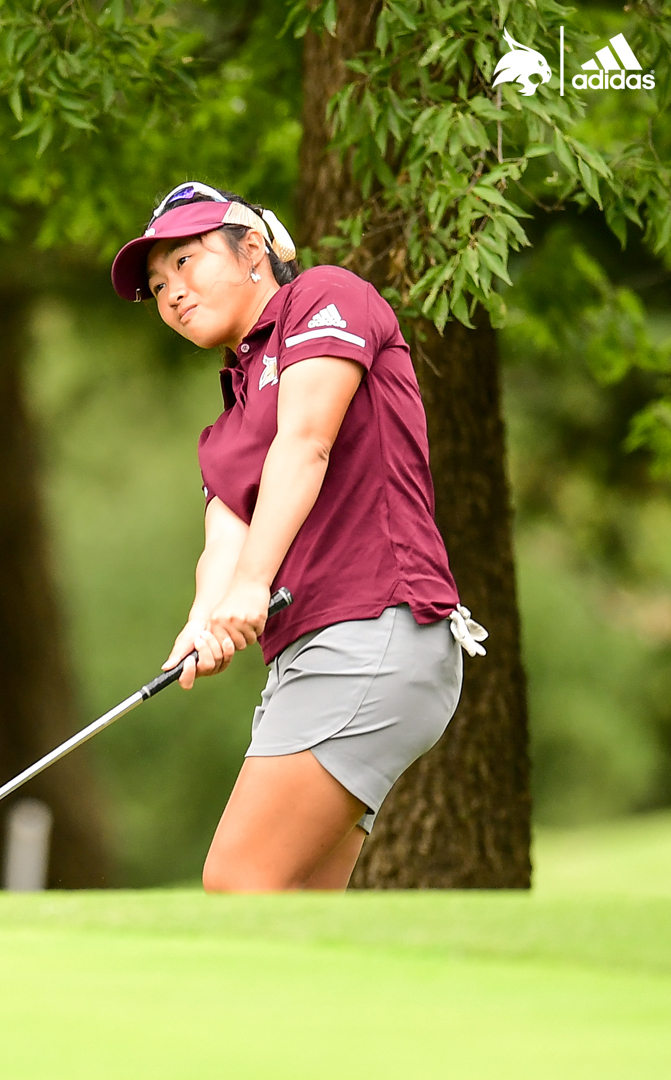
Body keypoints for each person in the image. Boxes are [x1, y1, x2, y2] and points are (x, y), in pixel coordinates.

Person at [109, 181, 488, 891]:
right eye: (157, 287)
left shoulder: (325, 298)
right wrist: (202, 622)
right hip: (312, 655)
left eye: (185, 264)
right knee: (296, 915)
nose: (172, 295)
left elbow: (306, 443)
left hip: (374, 626)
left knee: (237, 877)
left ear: (252, 246)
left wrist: (252, 587)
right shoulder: (229, 420)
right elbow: (224, 536)